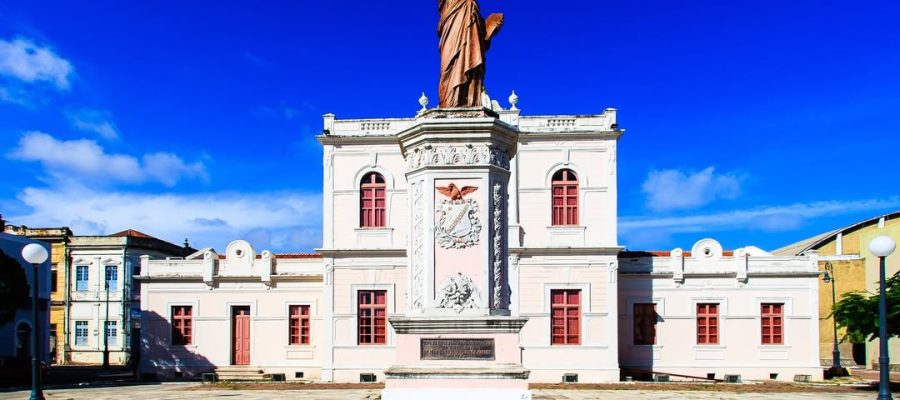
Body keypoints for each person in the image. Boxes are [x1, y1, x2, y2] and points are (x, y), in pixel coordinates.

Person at [438, 0, 503, 108]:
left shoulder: (471, 4)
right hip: (450, 27)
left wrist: (490, 25)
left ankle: (466, 99)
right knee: (448, 67)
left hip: (468, 45)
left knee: (469, 59)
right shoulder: (452, 4)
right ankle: (450, 100)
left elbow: (478, 40)